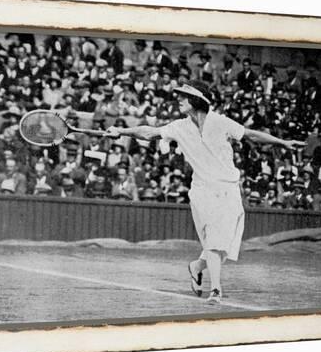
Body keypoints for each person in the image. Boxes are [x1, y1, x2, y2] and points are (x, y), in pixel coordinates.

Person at [105, 80, 305, 304]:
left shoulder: (220, 122)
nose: (178, 100)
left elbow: (250, 135)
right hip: (202, 191)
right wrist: (121, 130)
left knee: (224, 244)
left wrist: (283, 142)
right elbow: (149, 133)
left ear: (196, 99)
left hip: (229, 189)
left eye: (184, 96)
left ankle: (197, 266)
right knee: (214, 241)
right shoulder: (179, 127)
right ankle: (216, 290)